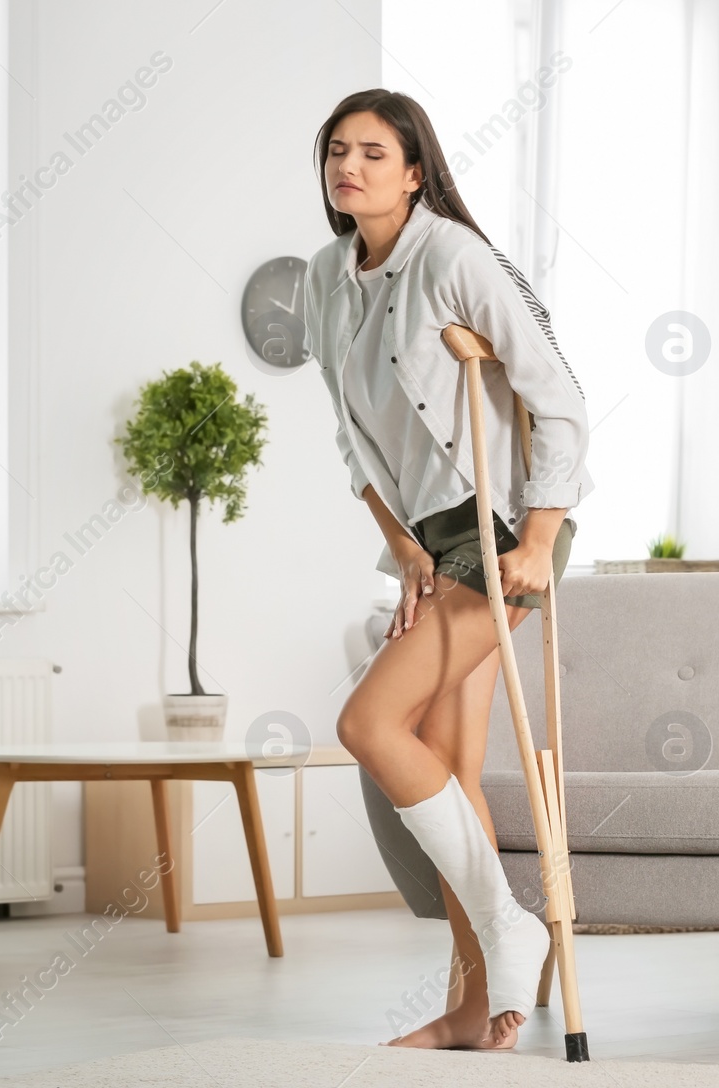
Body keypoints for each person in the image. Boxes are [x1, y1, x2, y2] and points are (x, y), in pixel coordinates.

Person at [302, 88, 593, 1053]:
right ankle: (475, 1012)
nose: (351, 167)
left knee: (370, 723)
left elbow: (559, 399)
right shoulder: (323, 279)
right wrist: (401, 547)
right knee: (451, 760)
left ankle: (507, 926)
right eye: (338, 151)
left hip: (502, 531)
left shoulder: (455, 257)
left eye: (375, 153)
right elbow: (352, 443)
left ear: (416, 170)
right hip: (430, 540)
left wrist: (541, 541)